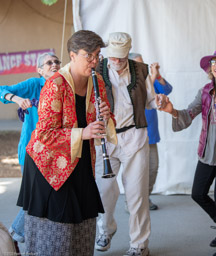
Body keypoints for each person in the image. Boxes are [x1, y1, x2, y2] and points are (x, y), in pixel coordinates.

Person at [16, 30, 117, 255]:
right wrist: (83, 133)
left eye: (97, 55)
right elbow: (44, 134)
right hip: (48, 165)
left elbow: (100, 121)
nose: (94, 61)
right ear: (72, 55)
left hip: (80, 159)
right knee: (57, 232)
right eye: (88, 56)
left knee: (83, 224)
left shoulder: (97, 80)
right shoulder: (55, 85)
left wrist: (105, 115)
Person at [158, 48, 216, 256]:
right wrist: (172, 111)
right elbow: (189, 113)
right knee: (198, 193)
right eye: (213, 63)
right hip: (208, 150)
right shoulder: (205, 92)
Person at [95, 32, 156, 256]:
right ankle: (106, 229)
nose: (117, 61)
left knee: (136, 195)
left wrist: (161, 102)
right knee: (104, 192)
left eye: (121, 57)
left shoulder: (141, 70)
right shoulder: (96, 70)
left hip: (134, 137)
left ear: (128, 52)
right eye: (113, 56)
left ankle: (139, 244)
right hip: (105, 139)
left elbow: (151, 101)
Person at [0, 52, 61, 246]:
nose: (54, 64)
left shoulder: (63, 86)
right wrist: (17, 99)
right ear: (40, 69)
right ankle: (13, 236)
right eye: (48, 62)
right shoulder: (34, 84)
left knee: (46, 197)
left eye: (56, 61)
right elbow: (1, 90)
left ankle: (28, 238)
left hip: (54, 151)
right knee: (36, 196)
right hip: (31, 151)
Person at [129, 52, 173, 210]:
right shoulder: (128, 82)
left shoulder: (150, 79)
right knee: (135, 171)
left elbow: (167, 90)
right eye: (138, 64)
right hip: (134, 135)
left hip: (151, 134)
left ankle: (144, 198)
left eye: (143, 63)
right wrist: (152, 77)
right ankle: (131, 202)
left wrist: (158, 75)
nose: (143, 66)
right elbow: (140, 94)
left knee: (152, 167)